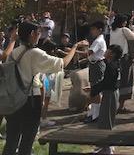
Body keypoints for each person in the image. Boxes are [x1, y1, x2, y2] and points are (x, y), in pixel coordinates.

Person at [2, 21, 84, 155]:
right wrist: (74, 48)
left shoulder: (14, 53)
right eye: (38, 33)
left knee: (11, 139)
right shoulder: (35, 53)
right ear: (32, 34)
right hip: (30, 100)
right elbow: (62, 63)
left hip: (13, 99)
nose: (39, 35)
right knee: (27, 139)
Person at [89, 44, 123, 155]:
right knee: (107, 119)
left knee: (105, 120)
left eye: (108, 49)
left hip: (110, 94)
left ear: (112, 54)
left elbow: (107, 83)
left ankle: (107, 147)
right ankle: (106, 146)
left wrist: (93, 90)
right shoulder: (114, 64)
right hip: (112, 93)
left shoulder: (111, 65)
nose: (106, 50)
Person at [109, 14, 134, 113]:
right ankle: (121, 106)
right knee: (125, 81)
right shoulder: (124, 30)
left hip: (113, 58)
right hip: (124, 59)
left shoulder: (112, 30)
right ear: (122, 22)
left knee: (115, 81)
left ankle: (113, 104)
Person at [82, 21, 108, 124]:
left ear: (100, 30)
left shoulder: (98, 41)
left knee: (96, 90)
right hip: (94, 65)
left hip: (97, 65)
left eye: (93, 29)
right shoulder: (97, 40)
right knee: (94, 89)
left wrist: (74, 49)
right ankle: (92, 113)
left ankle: (96, 115)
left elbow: (89, 53)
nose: (92, 31)